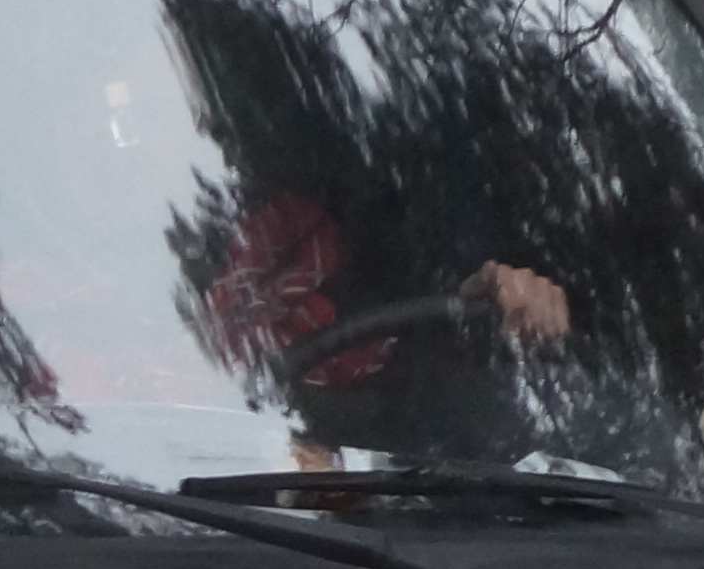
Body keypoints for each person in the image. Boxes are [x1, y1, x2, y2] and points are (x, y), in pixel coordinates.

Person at [200, 187, 571, 468]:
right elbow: (197, 400)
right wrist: (272, 453)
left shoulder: (454, 270)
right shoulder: (260, 252)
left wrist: (518, 309)